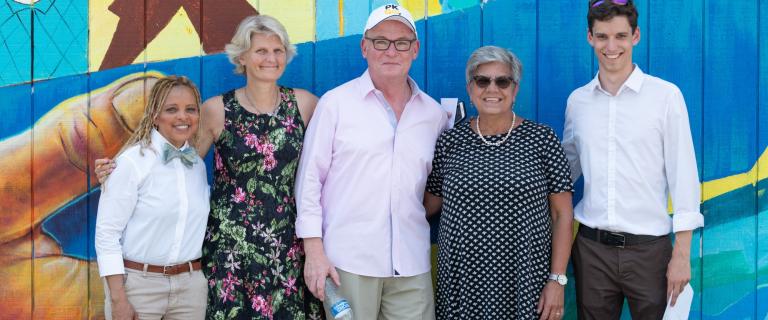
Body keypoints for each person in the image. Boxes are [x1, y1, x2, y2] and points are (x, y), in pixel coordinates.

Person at [95, 14, 324, 319]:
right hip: (229, 250)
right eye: (261, 51)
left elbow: (326, 167)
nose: (271, 58)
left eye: (278, 50)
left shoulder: (305, 105)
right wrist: (117, 175)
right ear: (242, 56)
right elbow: (179, 162)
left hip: (287, 246)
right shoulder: (217, 110)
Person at [294, 4, 446, 319]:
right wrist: (314, 250)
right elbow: (309, 180)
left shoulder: (433, 115)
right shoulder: (335, 104)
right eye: (380, 41)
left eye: (401, 42)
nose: (391, 50)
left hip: (411, 265)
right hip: (347, 263)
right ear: (365, 47)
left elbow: (434, 188)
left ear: (415, 49)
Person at [562, 1, 704, 319]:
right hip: (592, 250)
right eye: (602, 37)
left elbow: (684, 175)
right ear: (589, 38)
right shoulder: (578, 102)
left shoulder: (666, 97)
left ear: (635, 36)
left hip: (650, 252)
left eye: (620, 36)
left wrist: (681, 254)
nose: (611, 47)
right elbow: (565, 172)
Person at [423, 46, 574, 319]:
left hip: (526, 281)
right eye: (483, 80)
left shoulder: (542, 139)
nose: (492, 88)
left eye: (502, 81)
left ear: (514, 90)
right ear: (470, 88)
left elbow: (562, 214)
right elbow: (426, 206)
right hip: (463, 283)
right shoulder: (449, 142)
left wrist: (557, 280)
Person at [95, 76, 209, 320]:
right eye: (171, 109)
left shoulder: (197, 166)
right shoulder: (131, 163)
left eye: (190, 109)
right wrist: (118, 298)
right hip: (138, 287)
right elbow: (107, 234)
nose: (183, 116)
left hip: (190, 290)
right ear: (155, 116)